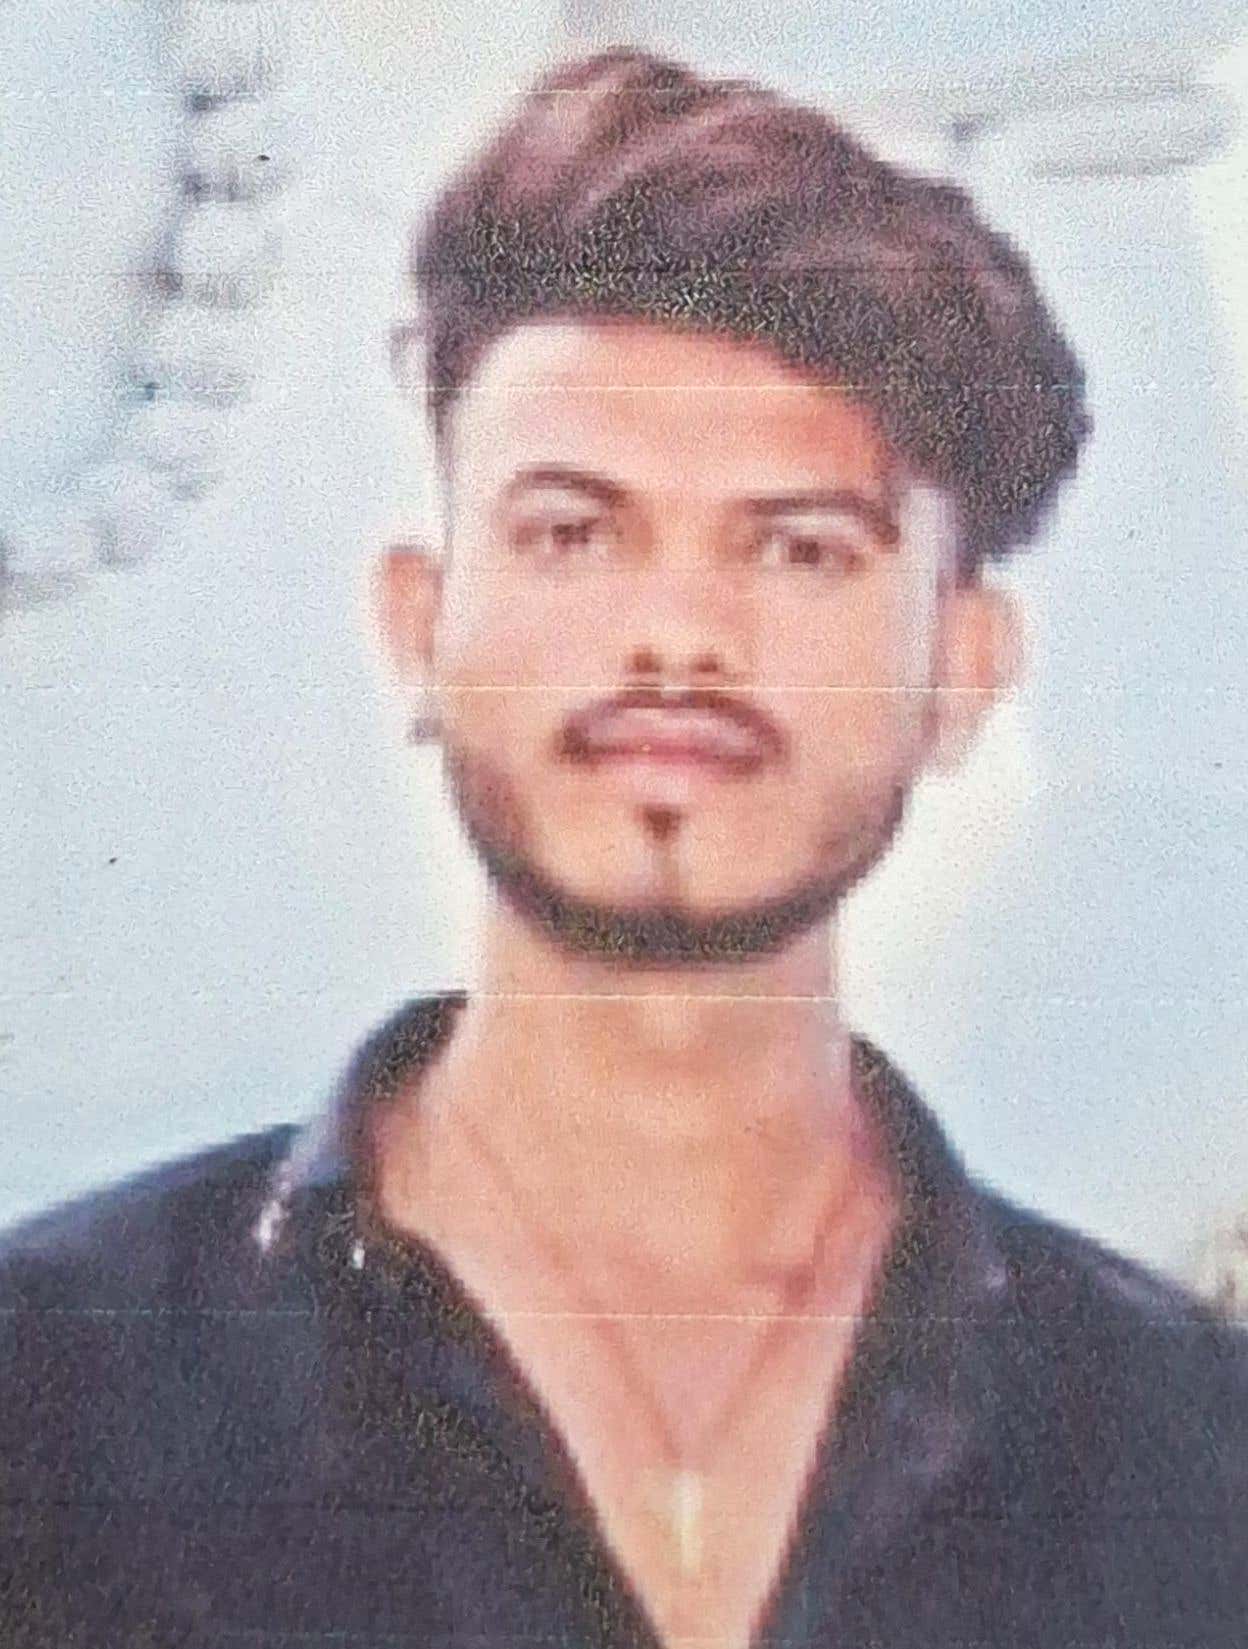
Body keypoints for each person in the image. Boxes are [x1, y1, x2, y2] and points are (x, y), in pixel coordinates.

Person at [2, 47, 1244, 1649]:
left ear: (964, 668)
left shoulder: (1188, 1447)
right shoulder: (54, 1397)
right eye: (573, 532)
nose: (676, 632)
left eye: (798, 548)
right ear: (418, 630)